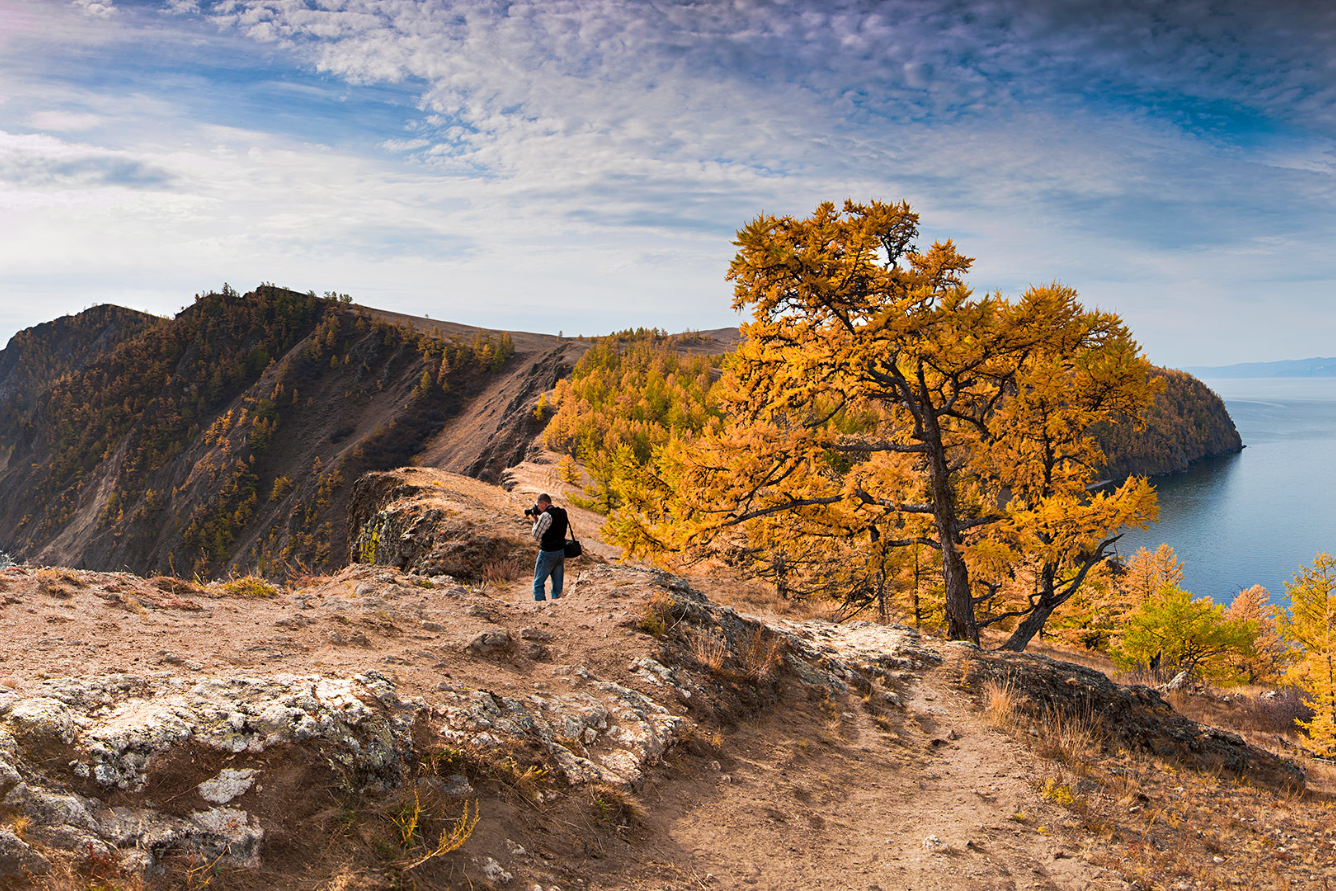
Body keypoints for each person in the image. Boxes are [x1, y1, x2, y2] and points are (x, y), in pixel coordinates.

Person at [529, 493, 568, 602]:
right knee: (558, 586)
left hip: (547, 553)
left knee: (538, 584)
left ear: (544, 503)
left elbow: (536, 535)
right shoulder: (562, 512)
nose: (537, 508)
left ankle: (541, 607)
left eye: (538, 505)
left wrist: (535, 520)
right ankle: (556, 605)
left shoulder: (546, 516)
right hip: (560, 552)